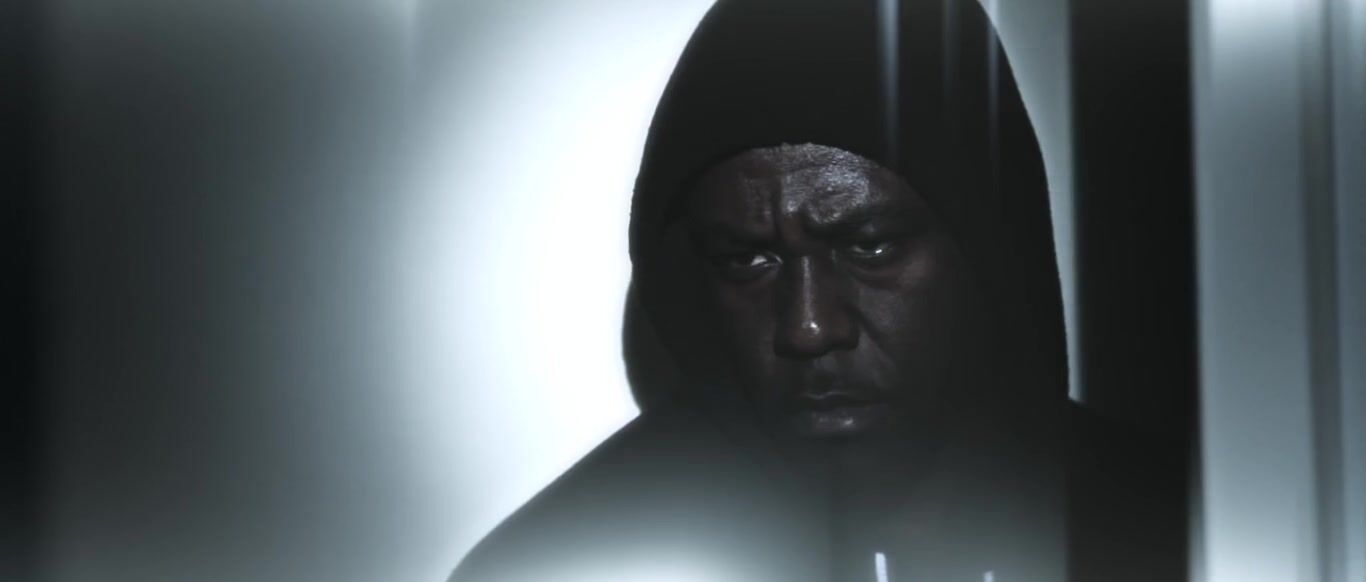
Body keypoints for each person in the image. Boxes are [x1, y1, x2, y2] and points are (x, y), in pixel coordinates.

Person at [452, 0, 1185, 580]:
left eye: (871, 248)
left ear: (990, 247)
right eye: (748, 260)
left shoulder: (1196, 534)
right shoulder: (569, 565)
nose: (806, 327)